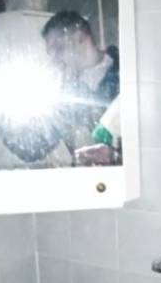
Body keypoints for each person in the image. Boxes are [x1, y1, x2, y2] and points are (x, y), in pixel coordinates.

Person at [41, 10, 121, 166]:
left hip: (131, 176)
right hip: (85, 177)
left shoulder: (129, 72)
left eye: (59, 48)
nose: (55, 60)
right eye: (51, 53)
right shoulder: (66, 93)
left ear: (81, 37)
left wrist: (116, 155)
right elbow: (36, 145)